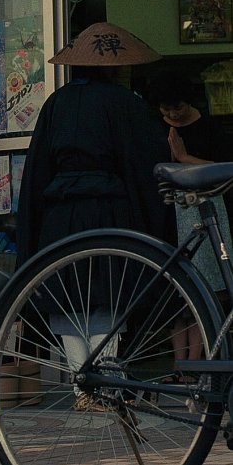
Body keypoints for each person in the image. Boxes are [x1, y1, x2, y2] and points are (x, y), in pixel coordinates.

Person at [16, 22, 170, 410]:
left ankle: (82, 388)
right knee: (108, 296)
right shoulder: (124, 103)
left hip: (59, 216)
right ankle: (106, 385)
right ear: (114, 66)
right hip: (108, 212)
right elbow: (144, 162)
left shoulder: (56, 103)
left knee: (67, 299)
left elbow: (37, 170)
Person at [148, 70, 233, 367]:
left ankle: (193, 364)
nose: (172, 114)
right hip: (168, 212)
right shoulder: (154, 128)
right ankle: (178, 363)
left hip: (204, 210)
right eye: (165, 109)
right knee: (175, 295)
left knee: (203, 289)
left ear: (189, 101)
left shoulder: (210, 128)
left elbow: (224, 168)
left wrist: (184, 159)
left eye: (177, 108)